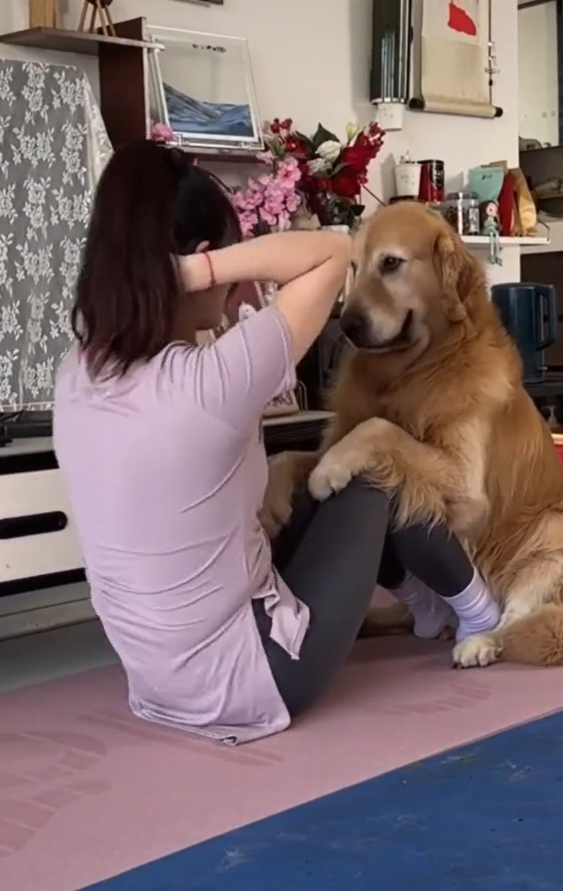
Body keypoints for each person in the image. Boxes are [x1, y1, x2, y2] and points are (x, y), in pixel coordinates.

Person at [54, 141, 500, 745]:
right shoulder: (211, 380)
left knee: (321, 470)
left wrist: (148, 275)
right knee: (373, 457)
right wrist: (190, 272)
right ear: (209, 259)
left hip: (154, 687)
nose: (236, 288)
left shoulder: (78, 372)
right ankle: (479, 611)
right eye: (227, 261)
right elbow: (333, 252)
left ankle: (425, 609)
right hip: (257, 680)